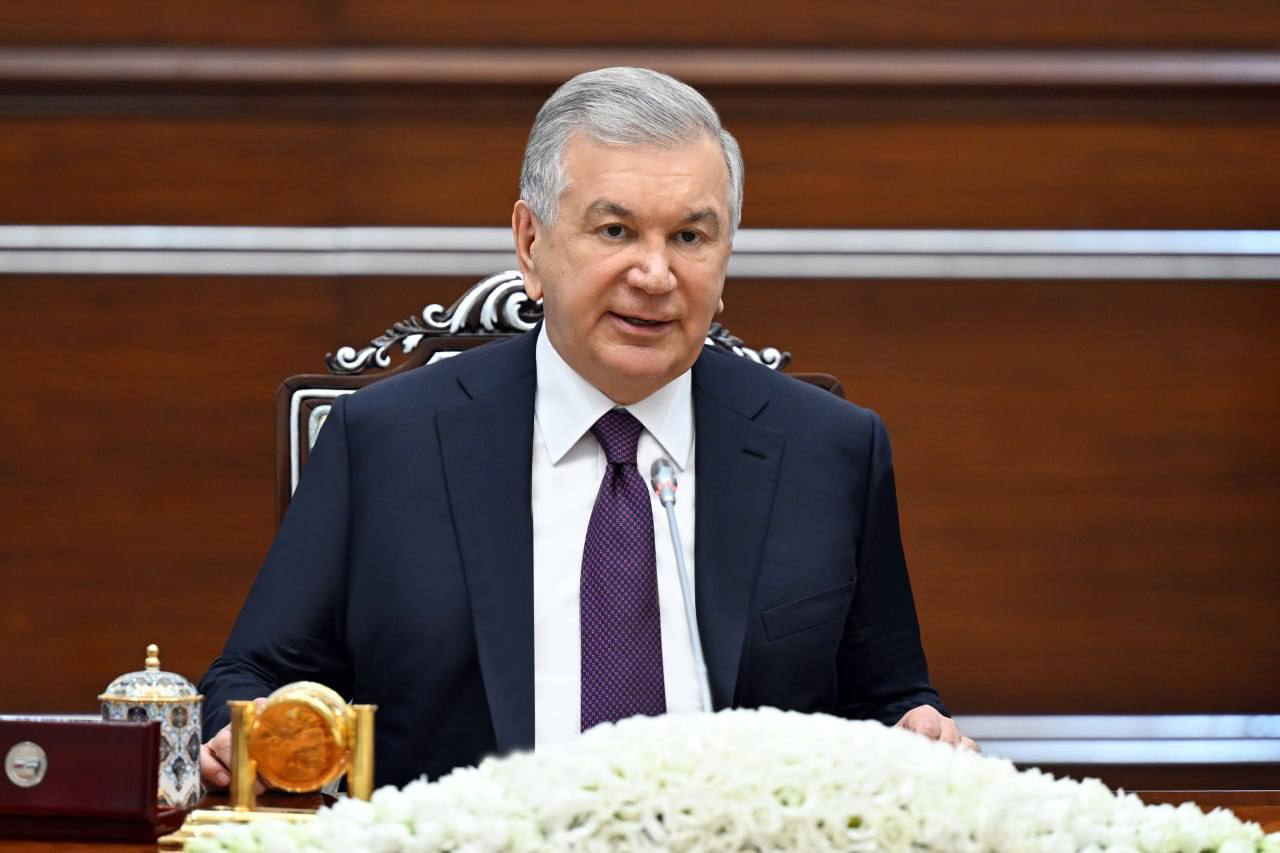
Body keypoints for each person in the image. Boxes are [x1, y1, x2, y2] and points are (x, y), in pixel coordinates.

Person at [198, 66, 973, 791]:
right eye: (615, 231)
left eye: (690, 237)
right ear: (531, 244)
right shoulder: (387, 443)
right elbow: (253, 679)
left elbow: (887, 701)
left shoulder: (828, 451)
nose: (655, 275)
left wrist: (918, 731)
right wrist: (251, 736)